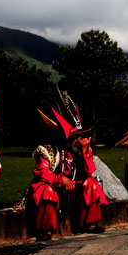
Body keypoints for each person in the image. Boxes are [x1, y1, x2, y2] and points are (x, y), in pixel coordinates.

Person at [28, 91, 108, 240]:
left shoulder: (82, 150)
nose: (78, 140)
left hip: (73, 191)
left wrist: (84, 152)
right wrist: (60, 179)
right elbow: (41, 173)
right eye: (75, 138)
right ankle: (45, 230)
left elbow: (89, 171)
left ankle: (90, 224)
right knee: (45, 190)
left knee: (91, 183)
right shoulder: (47, 150)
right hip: (56, 189)